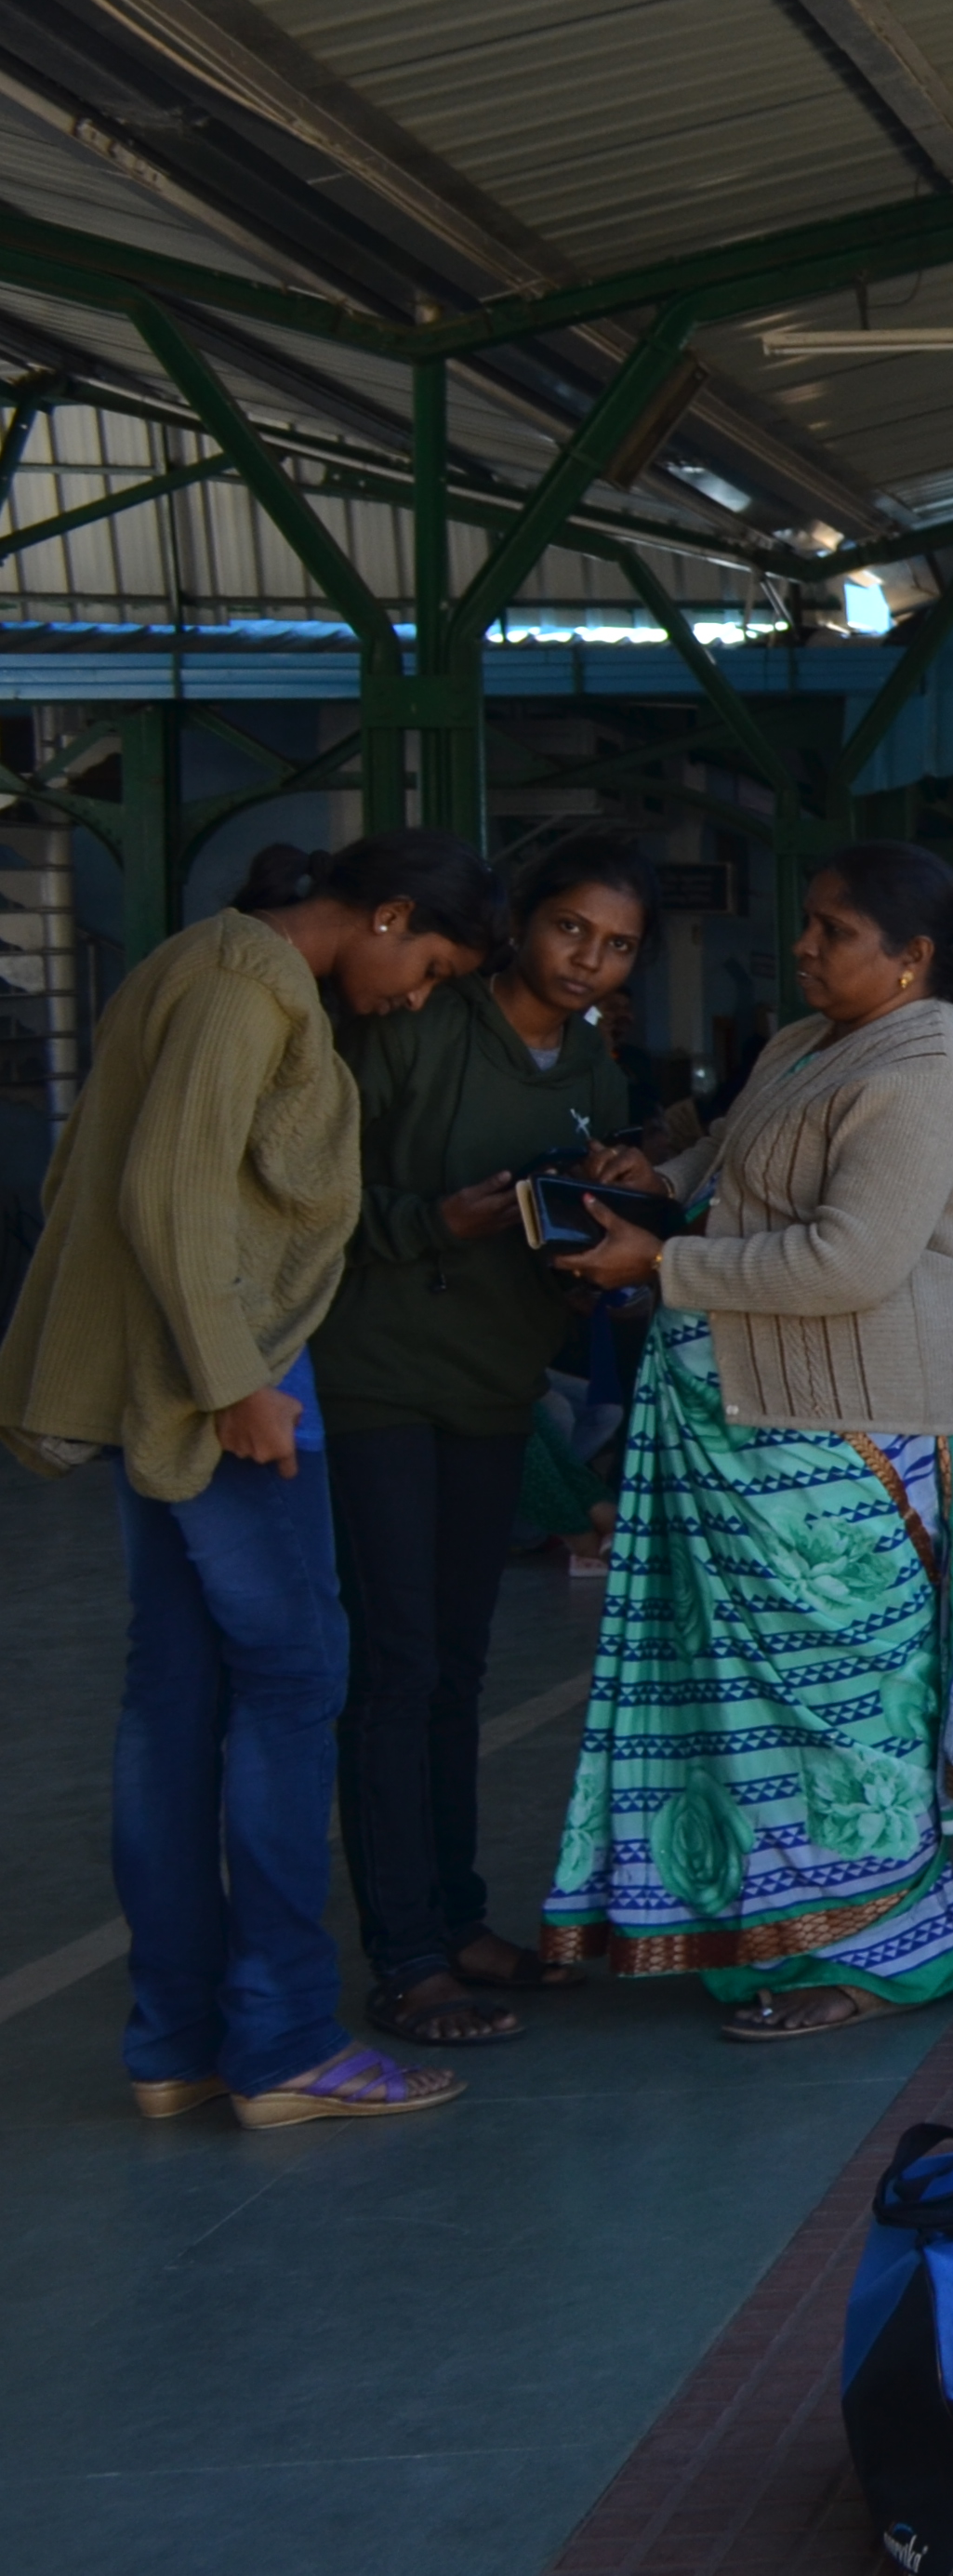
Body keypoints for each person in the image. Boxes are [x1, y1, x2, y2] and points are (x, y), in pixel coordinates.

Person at [0, 829, 498, 2129]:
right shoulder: (250, 989)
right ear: (385, 915)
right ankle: (279, 2039)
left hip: (162, 1391)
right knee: (292, 1690)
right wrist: (236, 1383)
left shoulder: (191, 964)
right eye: (431, 965)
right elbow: (171, 1194)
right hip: (232, 1398)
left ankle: (175, 2040)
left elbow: (88, 1173)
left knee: (173, 1704)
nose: (418, 994)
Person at [538, 843, 953, 2040]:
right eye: (809, 923)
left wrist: (659, 1263)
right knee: (745, 1703)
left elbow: (848, 1261)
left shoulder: (927, 1067)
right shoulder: (804, 1043)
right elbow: (725, 1169)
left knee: (845, 1710)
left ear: (912, 958)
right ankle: (763, 1924)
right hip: (742, 1427)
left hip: (839, 1438)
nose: (806, 948)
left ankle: (886, 1954)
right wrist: (645, 1182)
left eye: (833, 931)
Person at [313, 830, 661, 2048]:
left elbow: (579, 1245)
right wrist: (432, 1224)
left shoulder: (599, 1076)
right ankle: (404, 1957)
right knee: (398, 1666)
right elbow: (314, 1194)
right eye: (573, 929)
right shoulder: (418, 1028)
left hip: (493, 1386)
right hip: (381, 1379)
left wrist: (605, 1232)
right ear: (523, 919)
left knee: (456, 1665)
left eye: (618, 947)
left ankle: (456, 1923)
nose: (589, 961)